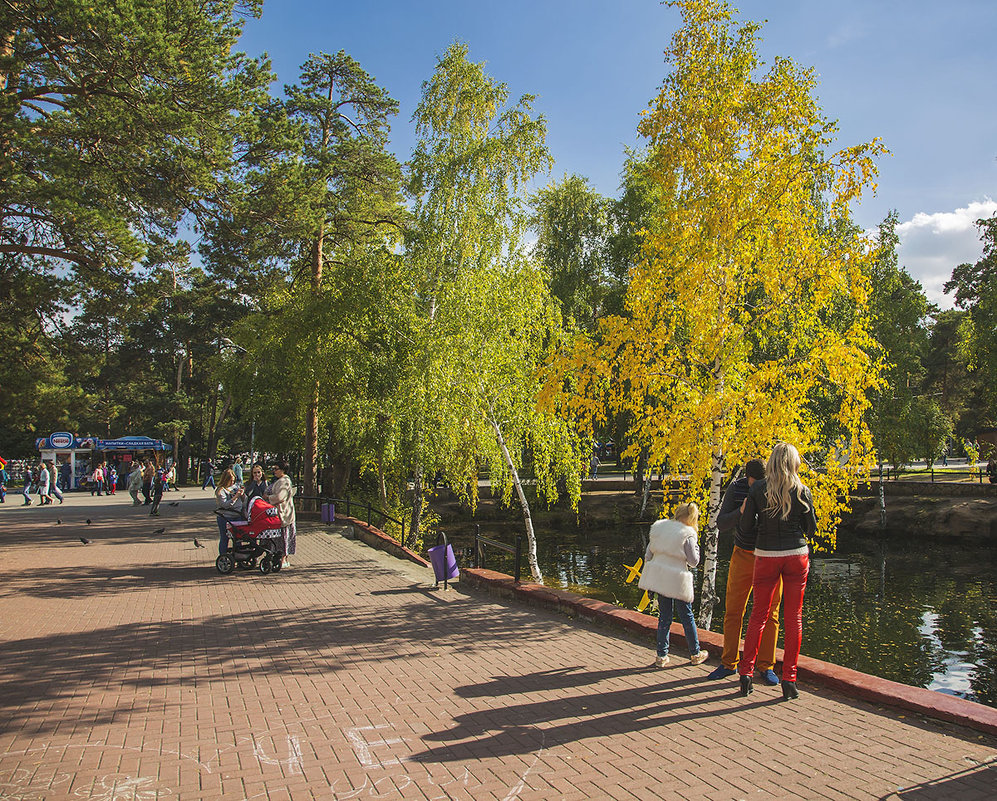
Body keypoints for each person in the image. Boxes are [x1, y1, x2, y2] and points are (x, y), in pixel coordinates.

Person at [737, 442, 817, 701]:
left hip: (766, 555)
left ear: (771, 462)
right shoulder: (802, 490)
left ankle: (746, 674)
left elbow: (746, 527)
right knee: (793, 618)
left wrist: (763, 523)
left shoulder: (758, 489)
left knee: (758, 615)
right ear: (794, 462)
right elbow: (811, 529)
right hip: (796, 556)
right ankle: (790, 680)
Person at [706, 459, 782, 685]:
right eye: (753, 481)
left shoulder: (776, 488)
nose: (756, 485)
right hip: (743, 553)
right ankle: (729, 662)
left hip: (770, 555)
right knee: (734, 610)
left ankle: (766, 666)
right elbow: (721, 522)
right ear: (747, 478)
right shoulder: (738, 487)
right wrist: (741, 511)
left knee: (771, 614)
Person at [637, 501, 709, 667]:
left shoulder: (659, 528)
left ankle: (661, 656)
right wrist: (696, 549)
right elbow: (693, 561)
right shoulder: (688, 534)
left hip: (661, 578)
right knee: (687, 617)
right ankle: (695, 653)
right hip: (678, 580)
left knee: (664, 617)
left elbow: (648, 554)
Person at [265, 461, 296, 569]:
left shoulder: (284, 481)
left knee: (283, 537)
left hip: (283, 513)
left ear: (283, 470)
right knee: (279, 538)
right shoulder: (279, 481)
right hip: (279, 513)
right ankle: (279, 558)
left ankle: (283, 558)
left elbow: (279, 497)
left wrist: (268, 498)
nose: (274, 471)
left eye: (276, 469)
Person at [214, 469, 246, 555]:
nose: (232, 482)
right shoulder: (221, 490)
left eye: (233, 480)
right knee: (225, 538)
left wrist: (242, 494)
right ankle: (223, 556)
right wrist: (235, 497)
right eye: (230, 480)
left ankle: (239, 556)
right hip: (225, 517)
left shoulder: (235, 487)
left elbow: (244, 501)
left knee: (238, 538)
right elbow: (225, 505)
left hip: (237, 515)